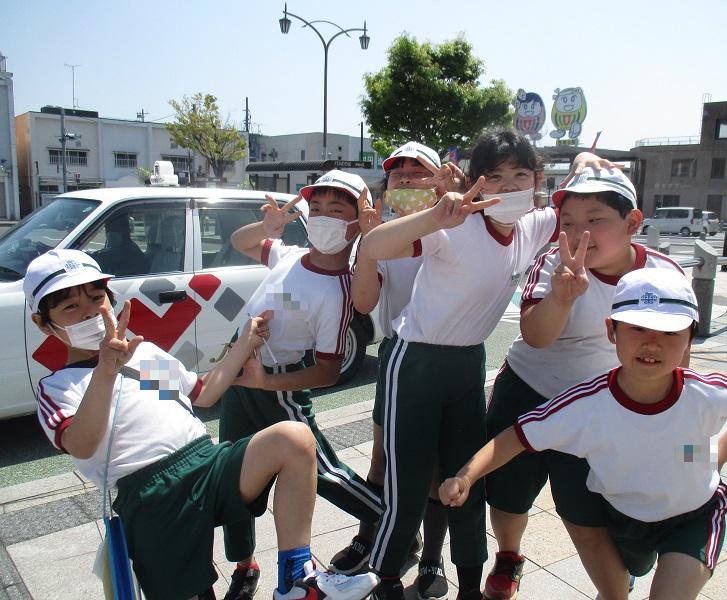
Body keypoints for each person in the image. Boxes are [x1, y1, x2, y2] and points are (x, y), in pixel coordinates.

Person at [25, 248, 379, 600]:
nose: (89, 312)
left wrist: (245, 342)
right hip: (152, 497)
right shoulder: (57, 387)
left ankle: (296, 580)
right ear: (43, 322)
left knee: (294, 438)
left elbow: (203, 392)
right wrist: (105, 371)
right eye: (70, 307)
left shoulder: (143, 355)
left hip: (206, 462)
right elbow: (81, 444)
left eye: (96, 298)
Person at [441, 267, 727, 600]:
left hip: (694, 516)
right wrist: (466, 476)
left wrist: (715, 455)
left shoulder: (707, 392)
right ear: (611, 330)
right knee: (616, 585)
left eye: (670, 332)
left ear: (690, 338)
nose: (652, 343)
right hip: (619, 518)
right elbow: (518, 435)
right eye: (637, 328)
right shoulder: (586, 403)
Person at [358, 129, 561, 600]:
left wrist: (591, 163)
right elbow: (374, 246)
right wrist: (434, 215)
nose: (508, 187)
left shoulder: (532, 226)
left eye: (520, 176)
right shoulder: (455, 224)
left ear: (537, 181)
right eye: (495, 176)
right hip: (415, 360)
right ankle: (386, 577)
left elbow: (580, 205)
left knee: (467, 477)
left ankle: (470, 582)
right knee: (408, 479)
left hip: (469, 362)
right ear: (475, 182)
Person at [482, 166, 685, 600]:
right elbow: (536, 337)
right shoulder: (552, 264)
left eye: (596, 220)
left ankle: (615, 580)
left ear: (632, 222)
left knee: (587, 508)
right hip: (530, 391)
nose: (579, 235)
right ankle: (509, 556)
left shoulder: (662, 275)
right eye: (569, 223)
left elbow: (679, 348)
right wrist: (562, 296)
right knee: (507, 493)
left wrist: (673, 415)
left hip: (600, 406)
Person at [220, 170, 383, 600]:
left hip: (278, 388)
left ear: (358, 222)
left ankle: (391, 523)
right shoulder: (289, 255)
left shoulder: (340, 289)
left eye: (337, 210)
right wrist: (267, 227)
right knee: (232, 474)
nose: (324, 217)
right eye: (319, 208)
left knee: (325, 472)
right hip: (240, 380)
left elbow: (328, 371)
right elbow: (240, 241)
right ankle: (244, 565)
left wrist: (266, 383)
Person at [332, 141, 462, 600]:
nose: (405, 178)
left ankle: (430, 557)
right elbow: (364, 301)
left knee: (438, 468)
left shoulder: (461, 229)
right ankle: (370, 536)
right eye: (397, 172)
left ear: (440, 179)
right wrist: (368, 248)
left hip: (448, 356)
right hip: (397, 356)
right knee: (381, 458)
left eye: (418, 170)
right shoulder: (381, 235)